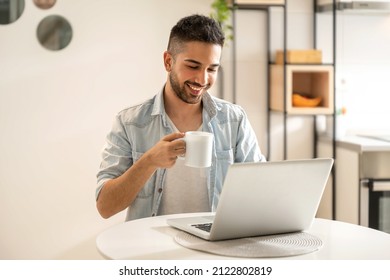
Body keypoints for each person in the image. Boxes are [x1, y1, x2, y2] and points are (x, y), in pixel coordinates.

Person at [96, 14, 266, 221]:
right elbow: (105, 207)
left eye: (212, 69)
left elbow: (260, 190)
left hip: (214, 247)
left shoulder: (234, 120)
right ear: (168, 61)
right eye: (193, 66)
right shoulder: (130, 122)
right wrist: (149, 161)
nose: (202, 79)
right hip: (151, 246)